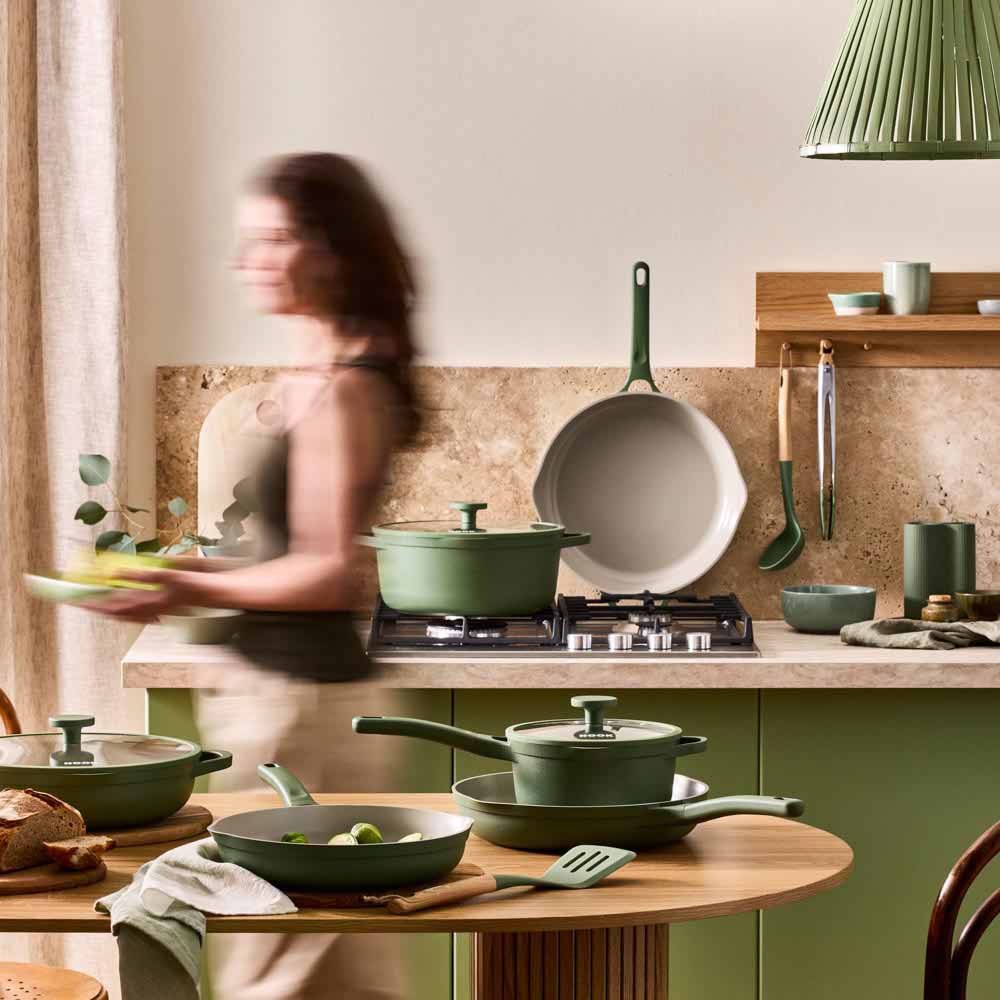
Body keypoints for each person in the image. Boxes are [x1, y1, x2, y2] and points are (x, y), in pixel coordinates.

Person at [91, 153, 417, 999]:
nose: (250, 261)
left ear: (330, 249)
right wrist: (192, 569)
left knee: (293, 965)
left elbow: (321, 573)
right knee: (313, 957)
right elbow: (290, 555)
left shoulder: (348, 387)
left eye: (272, 239)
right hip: (279, 698)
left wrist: (187, 589)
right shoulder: (321, 370)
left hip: (304, 708)